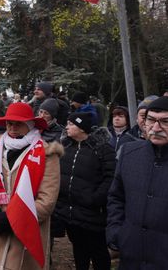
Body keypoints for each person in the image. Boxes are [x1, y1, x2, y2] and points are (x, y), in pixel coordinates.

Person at [0, 102, 62, 270]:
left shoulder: (47, 154)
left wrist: (12, 219)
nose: (12, 128)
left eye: (18, 123)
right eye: (9, 123)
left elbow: (47, 200)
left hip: (27, 234)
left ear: (30, 125)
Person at [107, 96, 168, 269]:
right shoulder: (130, 153)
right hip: (131, 255)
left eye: (166, 122)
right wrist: (116, 232)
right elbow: (116, 197)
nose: (156, 127)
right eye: (151, 119)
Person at [54, 113, 115, 270]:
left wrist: (95, 199)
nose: (67, 127)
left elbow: (111, 177)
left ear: (82, 128)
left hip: (93, 214)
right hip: (71, 212)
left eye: (71, 124)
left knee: (98, 252)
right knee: (79, 249)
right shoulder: (66, 148)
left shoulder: (102, 149)